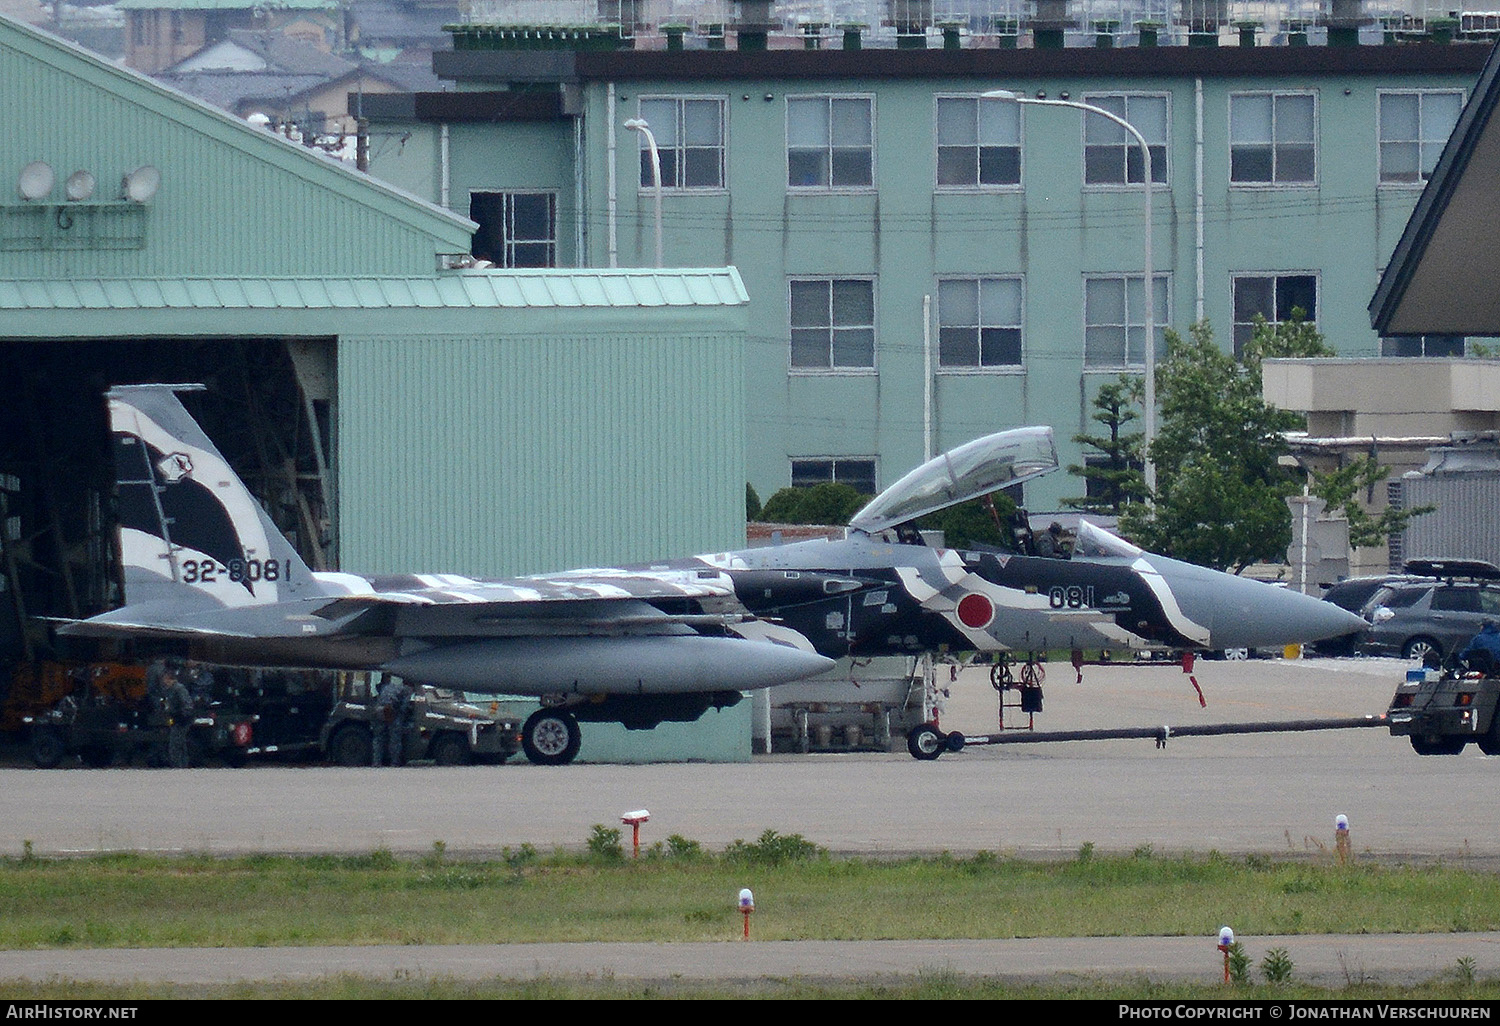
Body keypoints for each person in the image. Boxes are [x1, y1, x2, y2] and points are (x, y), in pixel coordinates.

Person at [371, 676, 414, 766]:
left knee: (379, 738)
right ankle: (394, 762)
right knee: (395, 740)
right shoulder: (406, 689)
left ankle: (376, 762)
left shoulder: (386, 686)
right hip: (391, 712)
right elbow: (404, 707)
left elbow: (378, 692)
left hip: (378, 711)